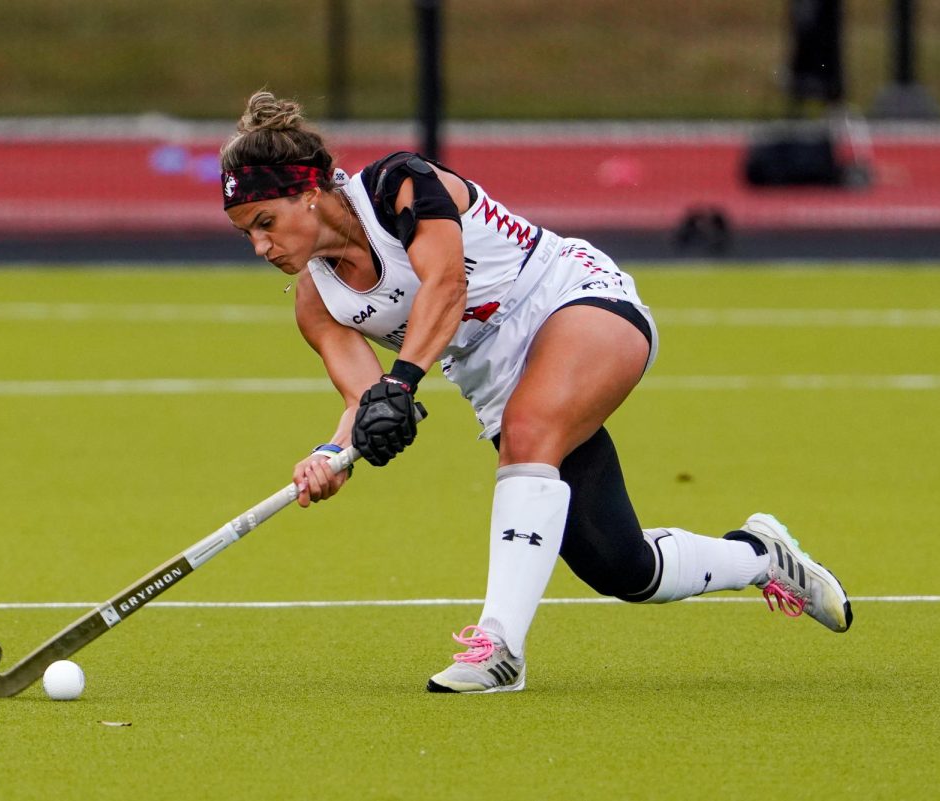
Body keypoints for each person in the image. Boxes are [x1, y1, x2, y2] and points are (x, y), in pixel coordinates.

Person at [218, 90, 852, 694]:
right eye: (248, 234)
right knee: (624, 568)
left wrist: (402, 382)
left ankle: (498, 649)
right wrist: (332, 455)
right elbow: (365, 399)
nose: (262, 246)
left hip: (568, 297)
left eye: (265, 223)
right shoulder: (316, 303)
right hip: (496, 377)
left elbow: (444, 285)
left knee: (527, 433)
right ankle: (763, 557)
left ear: (307, 192)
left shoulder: (398, 185)